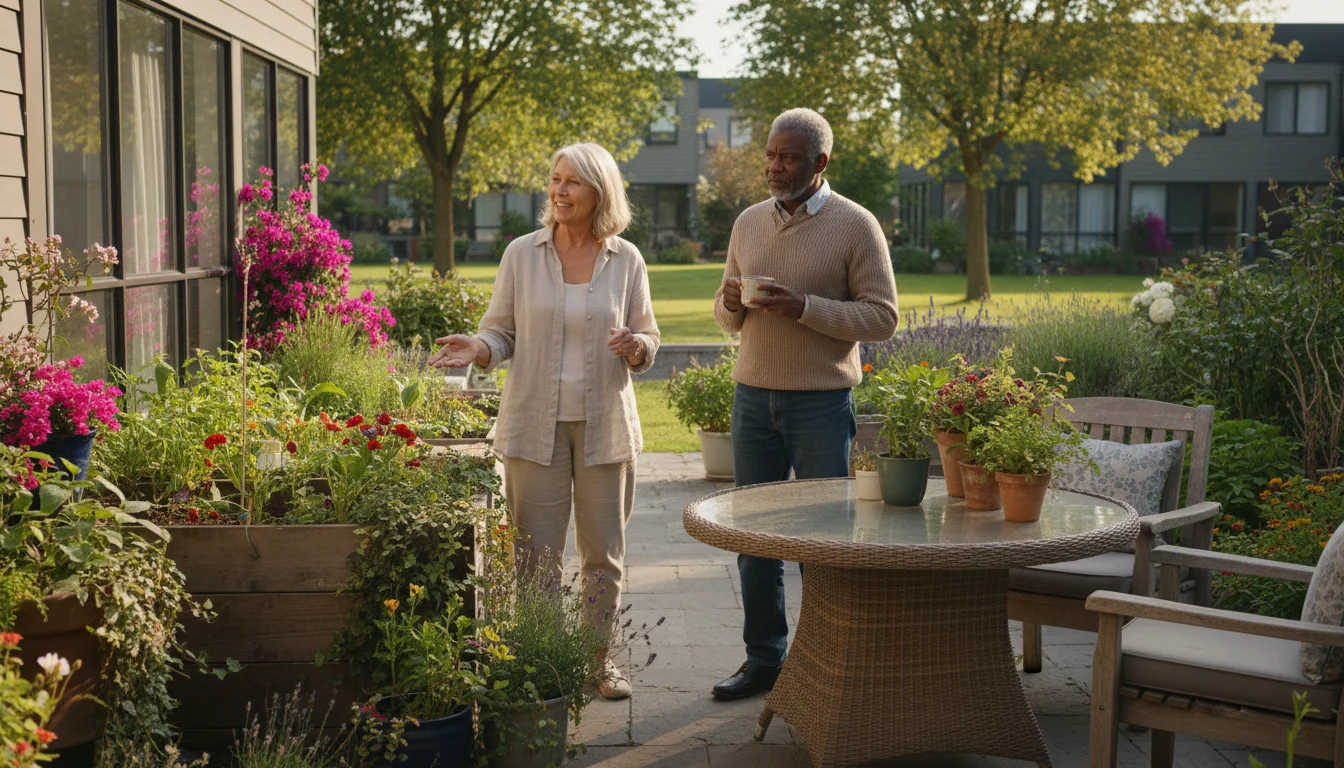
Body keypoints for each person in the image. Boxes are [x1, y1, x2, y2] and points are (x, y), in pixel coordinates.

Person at [429, 142, 659, 700]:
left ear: (599, 192)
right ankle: (541, 661)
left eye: (572, 182)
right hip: (535, 424)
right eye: (555, 180)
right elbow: (500, 331)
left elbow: (649, 337)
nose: (558, 191)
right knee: (533, 554)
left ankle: (596, 663)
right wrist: (479, 348)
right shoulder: (521, 254)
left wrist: (635, 346)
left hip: (606, 425)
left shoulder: (625, 259)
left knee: (604, 555)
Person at [710, 108, 899, 700]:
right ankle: (764, 659)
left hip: (821, 402)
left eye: (787, 157)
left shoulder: (856, 225)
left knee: (823, 538)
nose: (773, 166)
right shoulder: (747, 223)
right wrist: (731, 302)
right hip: (752, 397)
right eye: (769, 154)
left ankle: (827, 656)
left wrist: (805, 307)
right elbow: (726, 317)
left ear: (819, 163)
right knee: (755, 539)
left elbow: (883, 318)